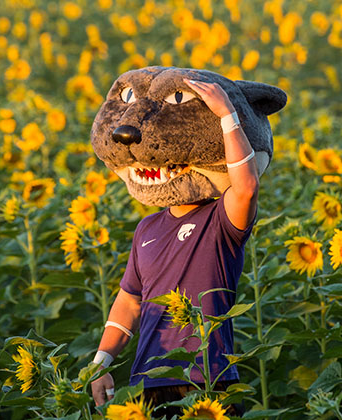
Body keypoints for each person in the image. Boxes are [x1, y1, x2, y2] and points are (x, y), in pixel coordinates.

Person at [89, 79, 260, 417]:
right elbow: (129, 300)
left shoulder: (220, 220)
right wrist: (100, 362)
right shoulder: (147, 229)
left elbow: (247, 188)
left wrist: (227, 114)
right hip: (149, 380)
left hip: (209, 378)